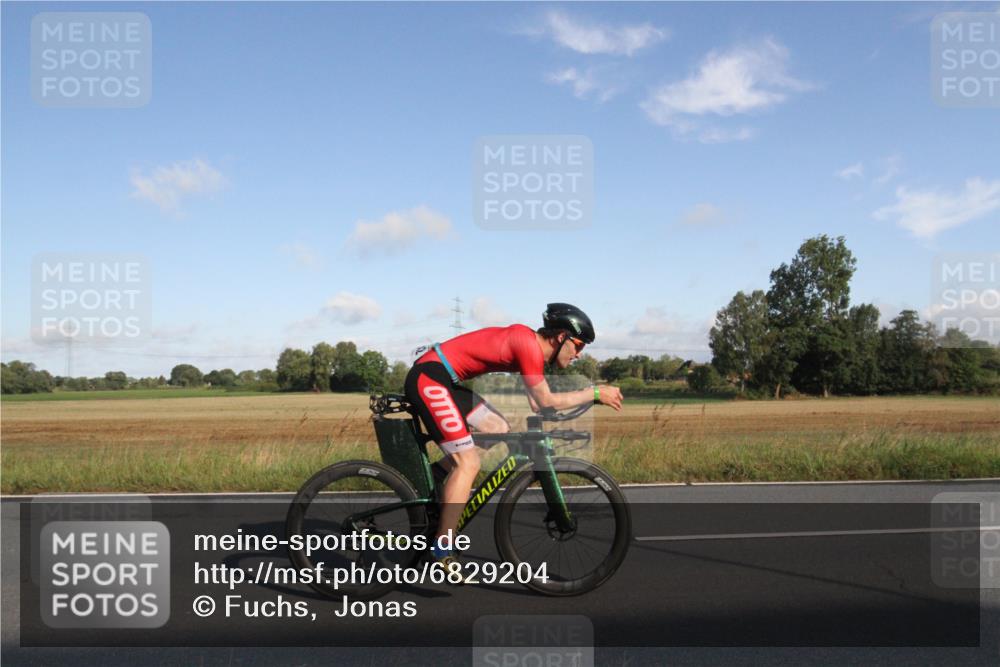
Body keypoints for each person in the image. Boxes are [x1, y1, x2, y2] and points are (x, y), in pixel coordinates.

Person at [403, 303, 623, 577]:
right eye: (578, 345)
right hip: (429, 379)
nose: (579, 354)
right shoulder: (527, 345)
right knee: (468, 463)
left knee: (497, 426)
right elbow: (544, 400)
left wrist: (588, 398)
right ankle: (442, 547)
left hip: (442, 378)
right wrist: (594, 393)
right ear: (560, 337)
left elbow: (537, 404)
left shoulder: (530, 349)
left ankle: (437, 476)